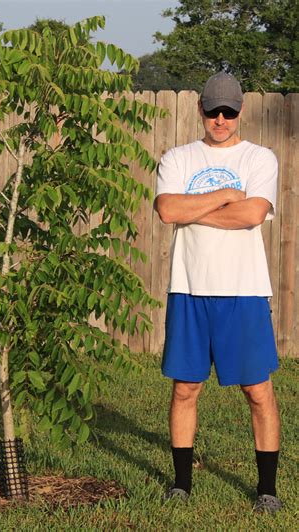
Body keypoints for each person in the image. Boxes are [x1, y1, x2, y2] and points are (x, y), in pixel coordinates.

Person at [154, 72, 282, 513]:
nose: (221, 119)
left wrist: (195, 210)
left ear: (241, 111)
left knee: (257, 390)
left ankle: (267, 489)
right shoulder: (178, 157)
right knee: (185, 388)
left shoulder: (260, 158)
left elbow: (252, 215)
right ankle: (182, 485)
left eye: (229, 111)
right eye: (213, 111)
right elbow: (167, 209)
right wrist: (225, 194)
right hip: (189, 290)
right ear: (200, 111)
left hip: (243, 292)